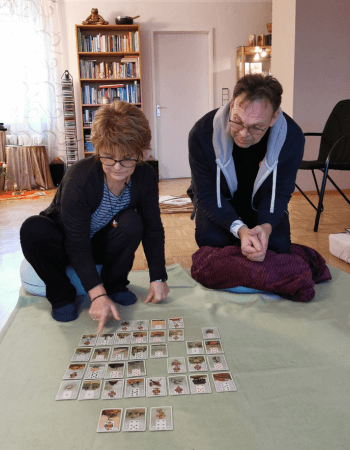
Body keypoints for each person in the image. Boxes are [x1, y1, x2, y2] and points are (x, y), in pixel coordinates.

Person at [20, 101, 169, 333]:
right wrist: (96, 295)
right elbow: (75, 242)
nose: (117, 167)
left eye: (128, 158)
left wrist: (158, 277)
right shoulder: (79, 178)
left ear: (142, 152)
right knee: (33, 228)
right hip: (64, 241)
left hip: (99, 242)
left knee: (133, 222)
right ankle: (62, 294)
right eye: (108, 157)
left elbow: (153, 229)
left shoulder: (145, 177)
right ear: (97, 148)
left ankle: (115, 283)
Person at [188, 74, 305, 262]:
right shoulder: (202, 133)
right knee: (212, 241)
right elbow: (206, 193)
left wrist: (266, 227)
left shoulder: (292, 137)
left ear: (274, 117)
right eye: (237, 121)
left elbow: (280, 193)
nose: (243, 133)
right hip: (219, 200)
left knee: (278, 246)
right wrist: (240, 230)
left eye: (256, 127)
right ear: (232, 104)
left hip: (261, 203)